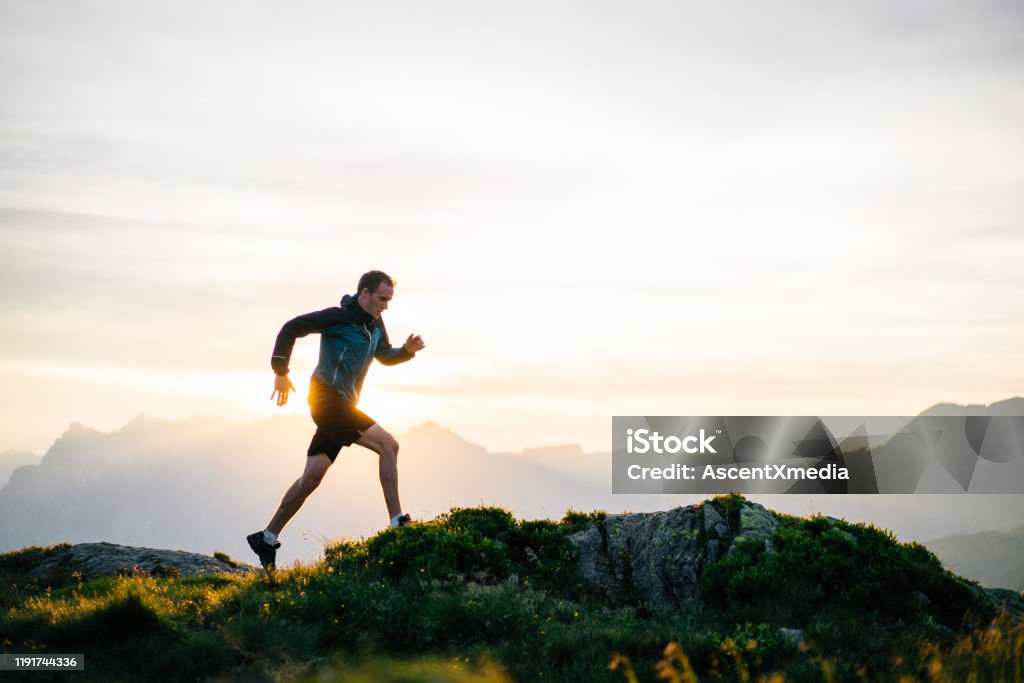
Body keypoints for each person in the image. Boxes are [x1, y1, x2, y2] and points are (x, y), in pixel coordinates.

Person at [247, 270, 426, 570]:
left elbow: (384, 355)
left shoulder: (376, 325)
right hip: (327, 400)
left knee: (312, 477)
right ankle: (398, 524)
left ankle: (266, 537)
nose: (386, 305)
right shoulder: (337, 317)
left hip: (344, 404)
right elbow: (292, 327)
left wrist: (405, 352)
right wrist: (281, 371)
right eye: (382, 298)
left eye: (389, 300)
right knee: (389, 445)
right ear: (364, 293)